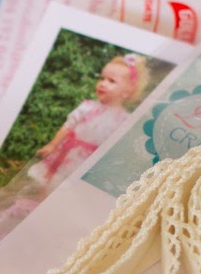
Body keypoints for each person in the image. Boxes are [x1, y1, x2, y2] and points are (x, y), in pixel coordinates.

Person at [24, 52, 150, 190]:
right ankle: (42, 199)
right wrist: (53, 145)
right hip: (66, 154)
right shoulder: (87, 107)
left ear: (128, 90)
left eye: (111, 81)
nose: (103, 84)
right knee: (50, 181)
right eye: (102, 78)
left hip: (87, 163)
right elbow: (68, 126)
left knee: (69, 189)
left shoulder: (124, 120)